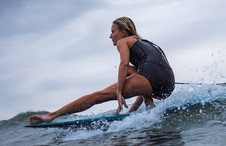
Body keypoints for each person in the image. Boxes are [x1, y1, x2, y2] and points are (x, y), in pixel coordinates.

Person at [29, 17, 175, 124]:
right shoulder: (147, 44)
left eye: (113, 32)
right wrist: (131, 113)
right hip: (168, 84)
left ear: (123, 32)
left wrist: (119, 92)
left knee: (97, 96)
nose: (110, 36)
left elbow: (124, 64)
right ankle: (151, 107)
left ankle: (52, 116)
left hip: (151, 79)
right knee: (133, 72)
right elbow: (143, 82)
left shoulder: (123, 41)